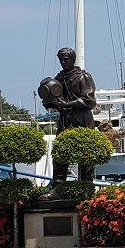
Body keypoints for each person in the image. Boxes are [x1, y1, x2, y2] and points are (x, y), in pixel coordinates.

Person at [38, 47, 97, 200]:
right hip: (65, 119)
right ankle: (57, 188)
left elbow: (89, 100)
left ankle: (86, 187)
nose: (63, 62)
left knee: (85, 155)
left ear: (73, 59)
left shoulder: (83, 77)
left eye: (66, 59)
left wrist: (67, 104)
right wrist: (50, 102)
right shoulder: (59, 79)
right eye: (61, 59)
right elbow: (55, 98)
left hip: (82, 119)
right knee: (60, 154)